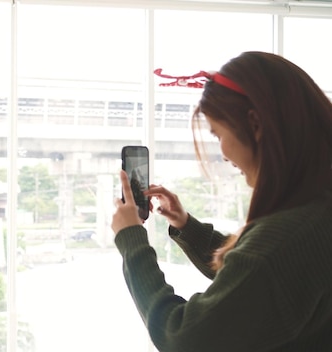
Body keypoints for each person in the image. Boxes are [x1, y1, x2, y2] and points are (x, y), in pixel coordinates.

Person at [111, 51, 332, 352]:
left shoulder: (284, 237)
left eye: (218, 135)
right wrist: (186, 226)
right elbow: (254, 285)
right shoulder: (316, 207)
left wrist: (132, 240)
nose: (224, 154)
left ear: (255, 125)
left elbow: (181, 337)